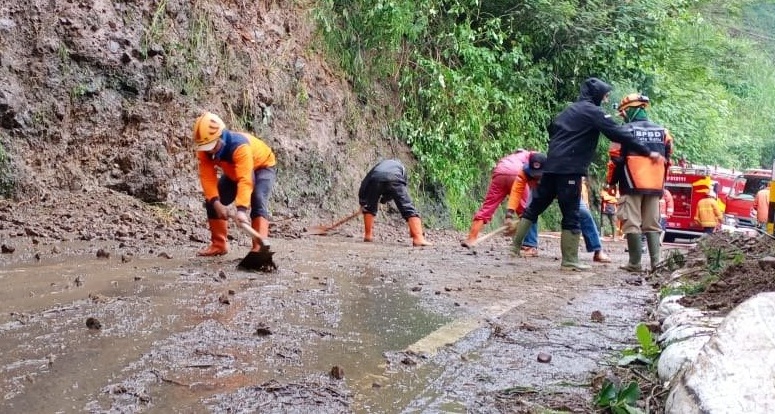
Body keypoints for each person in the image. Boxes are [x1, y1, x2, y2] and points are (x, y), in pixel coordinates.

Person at [508, 77, 663, 271]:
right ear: (597, 95)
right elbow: (617, 133)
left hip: (552, 165)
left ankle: (514, 248)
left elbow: (553, 129)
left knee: (535, 205)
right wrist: (647, 151)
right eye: (605, 96)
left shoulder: (569, 110)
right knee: (571, 213)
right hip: (570, 170)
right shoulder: (593, 112)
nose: (606, 101)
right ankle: (570, 260)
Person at [192, 111, 277, 256]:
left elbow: (246, 179)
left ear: (220, 138)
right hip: (234, 172)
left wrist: (241, 210)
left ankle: (259, 248)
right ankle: (219, 245)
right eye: (206, 148)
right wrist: (216, 202)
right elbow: (207, 178)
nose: (209, 151)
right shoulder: (204, 149)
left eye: (212, 146)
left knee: (257, 198)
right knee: (212, 200)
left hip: (262, 167)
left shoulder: (239, 146)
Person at [609, 93, 673, 272]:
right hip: (654, 186)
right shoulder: (664, 132)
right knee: (652, 223)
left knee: (632, 222)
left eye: (623, 112)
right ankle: (656, 264)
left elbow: (614, 160)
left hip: (631, 184)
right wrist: (661, 184)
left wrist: (611, 182)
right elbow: (668, 159)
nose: (622, 116)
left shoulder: (624, 131)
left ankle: (635, 263)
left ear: (629, 110)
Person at [461, 150, 543, 249]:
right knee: (526, 211)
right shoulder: (533, 156)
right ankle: (527, 244)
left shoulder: (510, 157)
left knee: (487, 208)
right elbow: (518, 192)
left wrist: (509, 216)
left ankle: (471, 238)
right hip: (517, 173)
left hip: (500, 173)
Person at [359, 159, 432, 247]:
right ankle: (418, 238)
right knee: (407, 207)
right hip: (395, 177)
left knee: (369, 207)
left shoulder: (377, 168)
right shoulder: (401, 168)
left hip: (375, 178)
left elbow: (365, 184)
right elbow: (397, 189)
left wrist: (364, 202)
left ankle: (368, 235)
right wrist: (385, 199)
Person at [503, 153, 547, 257]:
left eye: (539, 174)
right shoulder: (524, 172)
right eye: (533, 174)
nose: (536, 177)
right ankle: (530, 245)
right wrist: (509, 214)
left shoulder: (554, 173)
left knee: (580, 212)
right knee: (529, 211)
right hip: (537, 190)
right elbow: (516, 192)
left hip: (561, 189)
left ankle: (594, 246)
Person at [580, 178, 611, 262]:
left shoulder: (583, 185)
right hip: (546, 176)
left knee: (584, 213)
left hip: (567, 179)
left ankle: (597, 249)